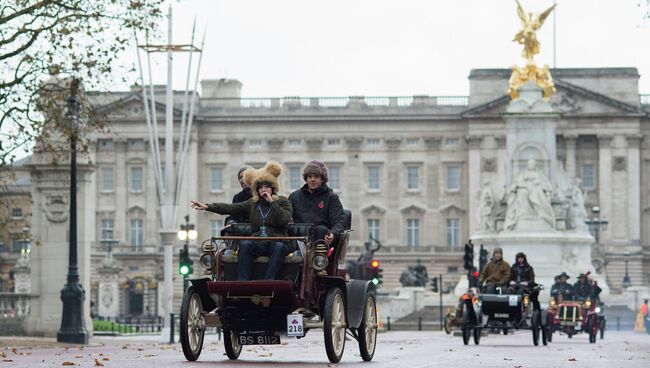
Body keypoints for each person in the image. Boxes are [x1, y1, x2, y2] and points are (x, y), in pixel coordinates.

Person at [191, 161, 293, 280]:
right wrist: (208, 206)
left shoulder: (283, 201)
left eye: (267, 187)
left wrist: (272, 202)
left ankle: (268, 281)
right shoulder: (253, 203)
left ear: (273, 188)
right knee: (245, 245)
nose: (263, 190)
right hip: (259, 242)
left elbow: (284, 219)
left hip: (277, 242)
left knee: (279, 247)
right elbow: (232, 208)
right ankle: (242, 281)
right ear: (256, 189)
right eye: (260, 187)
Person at [289, 160, 346, 246]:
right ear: (306, 178)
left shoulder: (331, 198)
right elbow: (286, 217)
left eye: (316, 176)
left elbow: (339, 221)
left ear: (322, 179)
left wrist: (333, 234)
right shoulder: (294, 197)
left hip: (321, 242)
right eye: (310, 176)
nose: (312, 179)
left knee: (321, 230)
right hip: (298, 240)